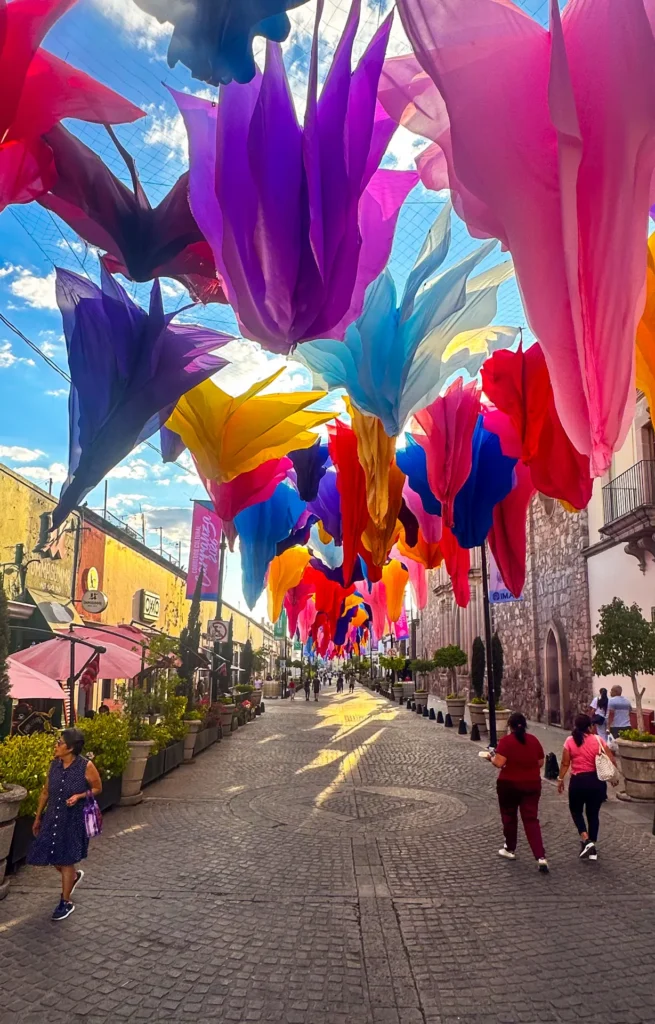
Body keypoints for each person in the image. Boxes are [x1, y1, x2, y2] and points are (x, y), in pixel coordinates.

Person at [28, 728, 102, 921]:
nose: (56, 745)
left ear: (69, 748)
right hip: (53, 817)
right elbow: (45, 792)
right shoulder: (55, 765)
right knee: (49, 854)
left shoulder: (86, 766)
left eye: (59, 743)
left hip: (73, 819)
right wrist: (38, 817)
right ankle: (73, 877)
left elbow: (97, 788)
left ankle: (66, 901)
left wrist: (79, 796)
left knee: (66, 858)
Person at [484, 712, 549, 873]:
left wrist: (490, 758)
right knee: (531, 820)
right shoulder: (533, 740)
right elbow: (540, 762)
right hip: (532, 785)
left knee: (509, 817)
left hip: (509, 785)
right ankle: (540, 856)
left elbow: (499, 763)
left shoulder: (506, 742)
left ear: (510, 726)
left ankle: (510, 849)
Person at [557, 713, 618, 860]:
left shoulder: (570, 741)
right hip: (596, 782)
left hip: (578, 782)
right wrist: (613, 777)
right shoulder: (598, 740)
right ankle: (592, 848)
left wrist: (560, 779)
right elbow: (610, 759)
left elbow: (565, 763)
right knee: (593, 814)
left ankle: (586, 839)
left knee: (576, 811)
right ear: (589, 726)